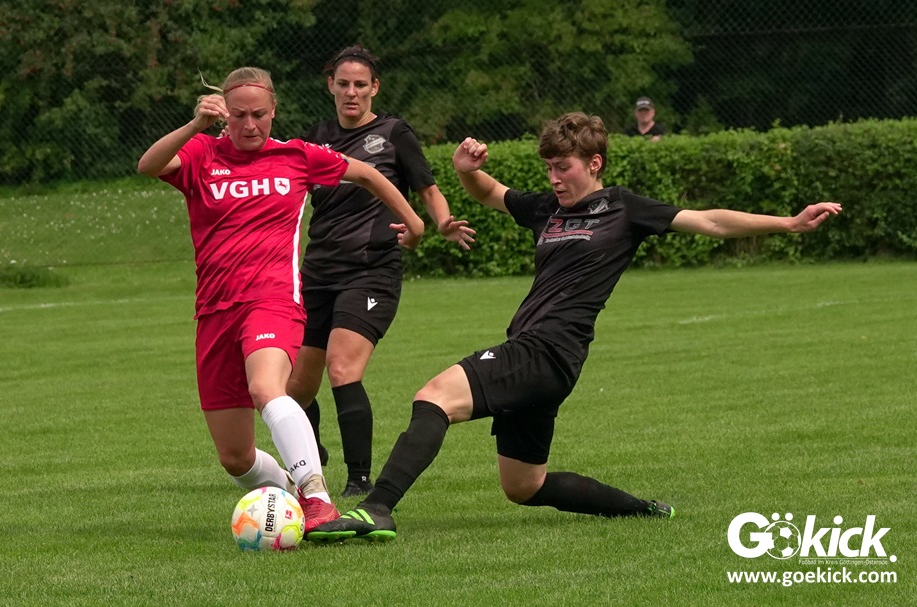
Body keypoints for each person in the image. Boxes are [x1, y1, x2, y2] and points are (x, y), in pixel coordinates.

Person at [308, 112, 841, 542]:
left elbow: (709, 220)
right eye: (548, 168)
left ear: (594, 162)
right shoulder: (549, 209)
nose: (554, 179)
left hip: (547, 350)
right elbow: (490, 193)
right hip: (545, 359)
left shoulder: (623, 208)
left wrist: (788, 223)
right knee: (524, 485)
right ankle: (642, 511)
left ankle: (377, 508)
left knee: (433, 397)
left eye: (563, 168)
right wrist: (465, 168)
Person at [136, 66, 426, 538]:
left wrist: (413, 223)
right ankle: (290, 490)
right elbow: (149, 165)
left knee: (267, 387)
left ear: (274, 111)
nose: (250, 125)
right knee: (235, 458)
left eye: (259, 114)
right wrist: (194, 125)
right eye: (238, 115)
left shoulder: (297, 156)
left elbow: (368, 174)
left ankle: (318, 500)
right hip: (214, 311)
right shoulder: (202, 153)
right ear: (224, 114)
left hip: (273, 300)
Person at [286, 45, 475, 497]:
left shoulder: (393, 133)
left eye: (360, 84)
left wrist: (441, 222)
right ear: (330, 86)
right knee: (295, 390)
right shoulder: (315, 138)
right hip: (318, 272)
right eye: (343, 84)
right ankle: (312, 451)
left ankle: (358, 481)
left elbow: (428, 190)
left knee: (342, 367)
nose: (351, 92)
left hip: (371, 271)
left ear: (375, 88)